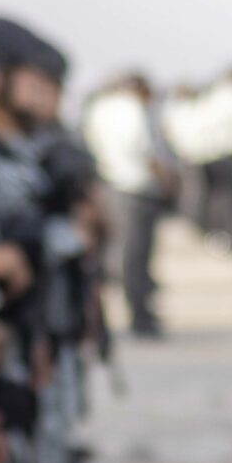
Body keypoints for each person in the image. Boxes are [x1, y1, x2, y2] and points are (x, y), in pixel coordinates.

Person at [83, 70, 176, 338]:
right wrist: (167, 178)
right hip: (137, 189)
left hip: (112, 185)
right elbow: (146, 152)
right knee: (136, 256)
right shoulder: (133, 110)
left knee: (125, 253)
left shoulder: (100, 108)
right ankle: (141, 317)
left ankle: (138, 312)